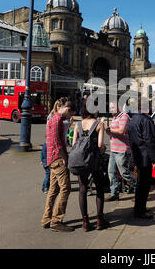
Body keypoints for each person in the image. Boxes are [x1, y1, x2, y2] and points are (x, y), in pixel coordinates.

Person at [72, 106, 110, 231]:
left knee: (82, 189)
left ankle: (85, 221)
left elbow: (73, 144)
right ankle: (100, 219)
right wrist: (103, 150)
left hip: (81, 160)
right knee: (99, 189)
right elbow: (100, 145)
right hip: (94, 161)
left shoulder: (78, 125)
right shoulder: (99, 124)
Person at [41, 99, 76, 232]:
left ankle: (46, 219)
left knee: (53, 190)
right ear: (68, 110)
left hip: (51, 158)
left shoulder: (53, 119)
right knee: (65, 188)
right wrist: (64, 158)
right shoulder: (58, 121)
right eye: (71, 114)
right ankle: (56, 220)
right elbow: (58, 143)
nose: (70, 117)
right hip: (57, 159)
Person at [127, 98, 155, 219]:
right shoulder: (146, 120)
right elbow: (149, 141)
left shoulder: (133, 119)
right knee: (144, 185)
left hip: (137, 155)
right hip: (145, 156)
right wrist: (154, 158)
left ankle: (140, 208)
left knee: (141, 184)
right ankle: (140, 211)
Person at [104, 101, 136, 201]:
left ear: (118, 107)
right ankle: (114, 193)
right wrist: (107, 131)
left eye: (112, 108)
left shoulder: (124, 116)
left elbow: (121, 131)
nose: (110, 110)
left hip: (122, 150)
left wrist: (108, 129)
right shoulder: (114, 118)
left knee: (124, 173)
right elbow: (113, 133)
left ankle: (138, 190)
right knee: (111, 172)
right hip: (113, 150)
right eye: (110, 108)